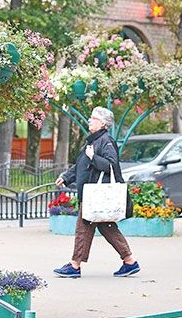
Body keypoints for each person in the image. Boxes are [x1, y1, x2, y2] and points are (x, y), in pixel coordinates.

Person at [53, 106, 140, 278]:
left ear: (102, 123)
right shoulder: (92, 141)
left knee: (83, 228)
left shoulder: (106, 141)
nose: (89, 120)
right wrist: (66, 177)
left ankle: (74, 265)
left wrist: (94, 158)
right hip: (94, 194)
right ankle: (129, 261)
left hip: (97, 195)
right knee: (107, 228)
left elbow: (111, 165)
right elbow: (80, 165)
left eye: (93, 118)